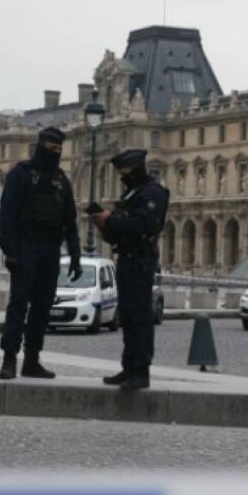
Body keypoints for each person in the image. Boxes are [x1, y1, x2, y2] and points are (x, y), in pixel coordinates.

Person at [0, 127, 82, 380]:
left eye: (59, 149)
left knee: (42, 307)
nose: (56, 153)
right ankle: (9, 359)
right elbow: (6, 215)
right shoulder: (21, 174)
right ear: (41, 146)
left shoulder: (62, 181)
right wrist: (11, 252)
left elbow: (70, 221)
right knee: (18, 304)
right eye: (52, 148)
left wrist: (75, 255)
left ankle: (32, 359)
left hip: (50, 249)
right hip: (26, 245)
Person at [88, 149, 169, 390]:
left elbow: (143, 226)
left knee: (140, 316)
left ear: (135, 168)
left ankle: (141, 371)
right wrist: (103, 224)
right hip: (126, 257)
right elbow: (118, 232)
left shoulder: (153, 193)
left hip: (141, 260)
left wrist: (110, 220)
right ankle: (128, 366)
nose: (121, 175)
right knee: (128, 315)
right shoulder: (132, 193)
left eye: (124, 170)